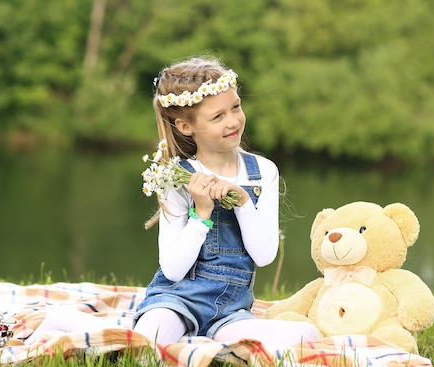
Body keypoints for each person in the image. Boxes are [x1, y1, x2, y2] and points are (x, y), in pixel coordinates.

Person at [133, 56, 319, 347]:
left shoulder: (262, 173)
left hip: (230, 312)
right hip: (177, 300)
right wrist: (201, 214)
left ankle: (200, 341)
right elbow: (172, 269)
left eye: (236, 107)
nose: (233, 121)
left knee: (304, 337)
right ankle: (179, 334)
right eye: (218, 117)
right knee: (144, 343)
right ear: (185, 126)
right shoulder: (178, 177)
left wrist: (244, 202)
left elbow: (264, 255)